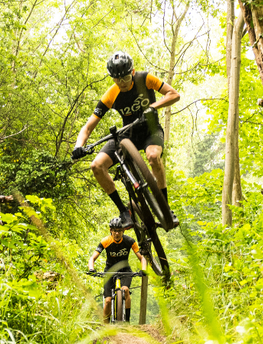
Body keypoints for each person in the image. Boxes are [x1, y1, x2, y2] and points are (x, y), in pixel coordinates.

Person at [71, 51, 181, 228]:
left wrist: (153, 106)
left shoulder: (146, 79)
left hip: (150, 131)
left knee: (153, 157)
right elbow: (88, 126)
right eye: (116, 79)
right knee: (96, 166)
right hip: (127, 134)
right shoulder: (111, 94)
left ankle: (165, 208)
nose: (121, 83)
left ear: (133, 72)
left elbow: (174, 95)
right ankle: (124, 212)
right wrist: (79, 146)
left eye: (124, 78)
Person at [88, 217, 147, 323]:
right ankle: (105, 326)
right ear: (111, 230)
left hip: (125, 270)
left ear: (123, 231)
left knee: (125, 290)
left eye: (119, 231)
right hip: (109, 270)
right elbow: (93, 258)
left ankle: (127, 320)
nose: (117, 233)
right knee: (107, 301)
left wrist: (143, 269)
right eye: (114, 230)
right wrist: (91, 268)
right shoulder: (105, 241)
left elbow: (142, 257)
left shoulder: (129, 241)